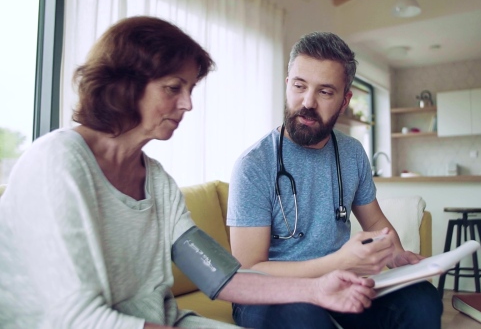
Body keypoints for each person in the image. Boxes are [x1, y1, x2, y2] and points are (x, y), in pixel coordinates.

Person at [0, 17, 377, 329]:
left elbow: (220, 276)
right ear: (125, 84)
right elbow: (74, 318)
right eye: (173, 88)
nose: (188, 104)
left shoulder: (156, 181)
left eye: (190, 88)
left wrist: (316, 289)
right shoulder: (57, 161)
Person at [227, 31, 443, 329]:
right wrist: (339, 264)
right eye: (299, 86)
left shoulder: (352, 153)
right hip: (269, 294)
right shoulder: (254, 165)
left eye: (325, 92)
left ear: (344, 101)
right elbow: (248, 272)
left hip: (338, 283)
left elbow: (376, 222)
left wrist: (396, 254)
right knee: (305, 316)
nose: (307, 102)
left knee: (421, 299)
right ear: (287, 84)